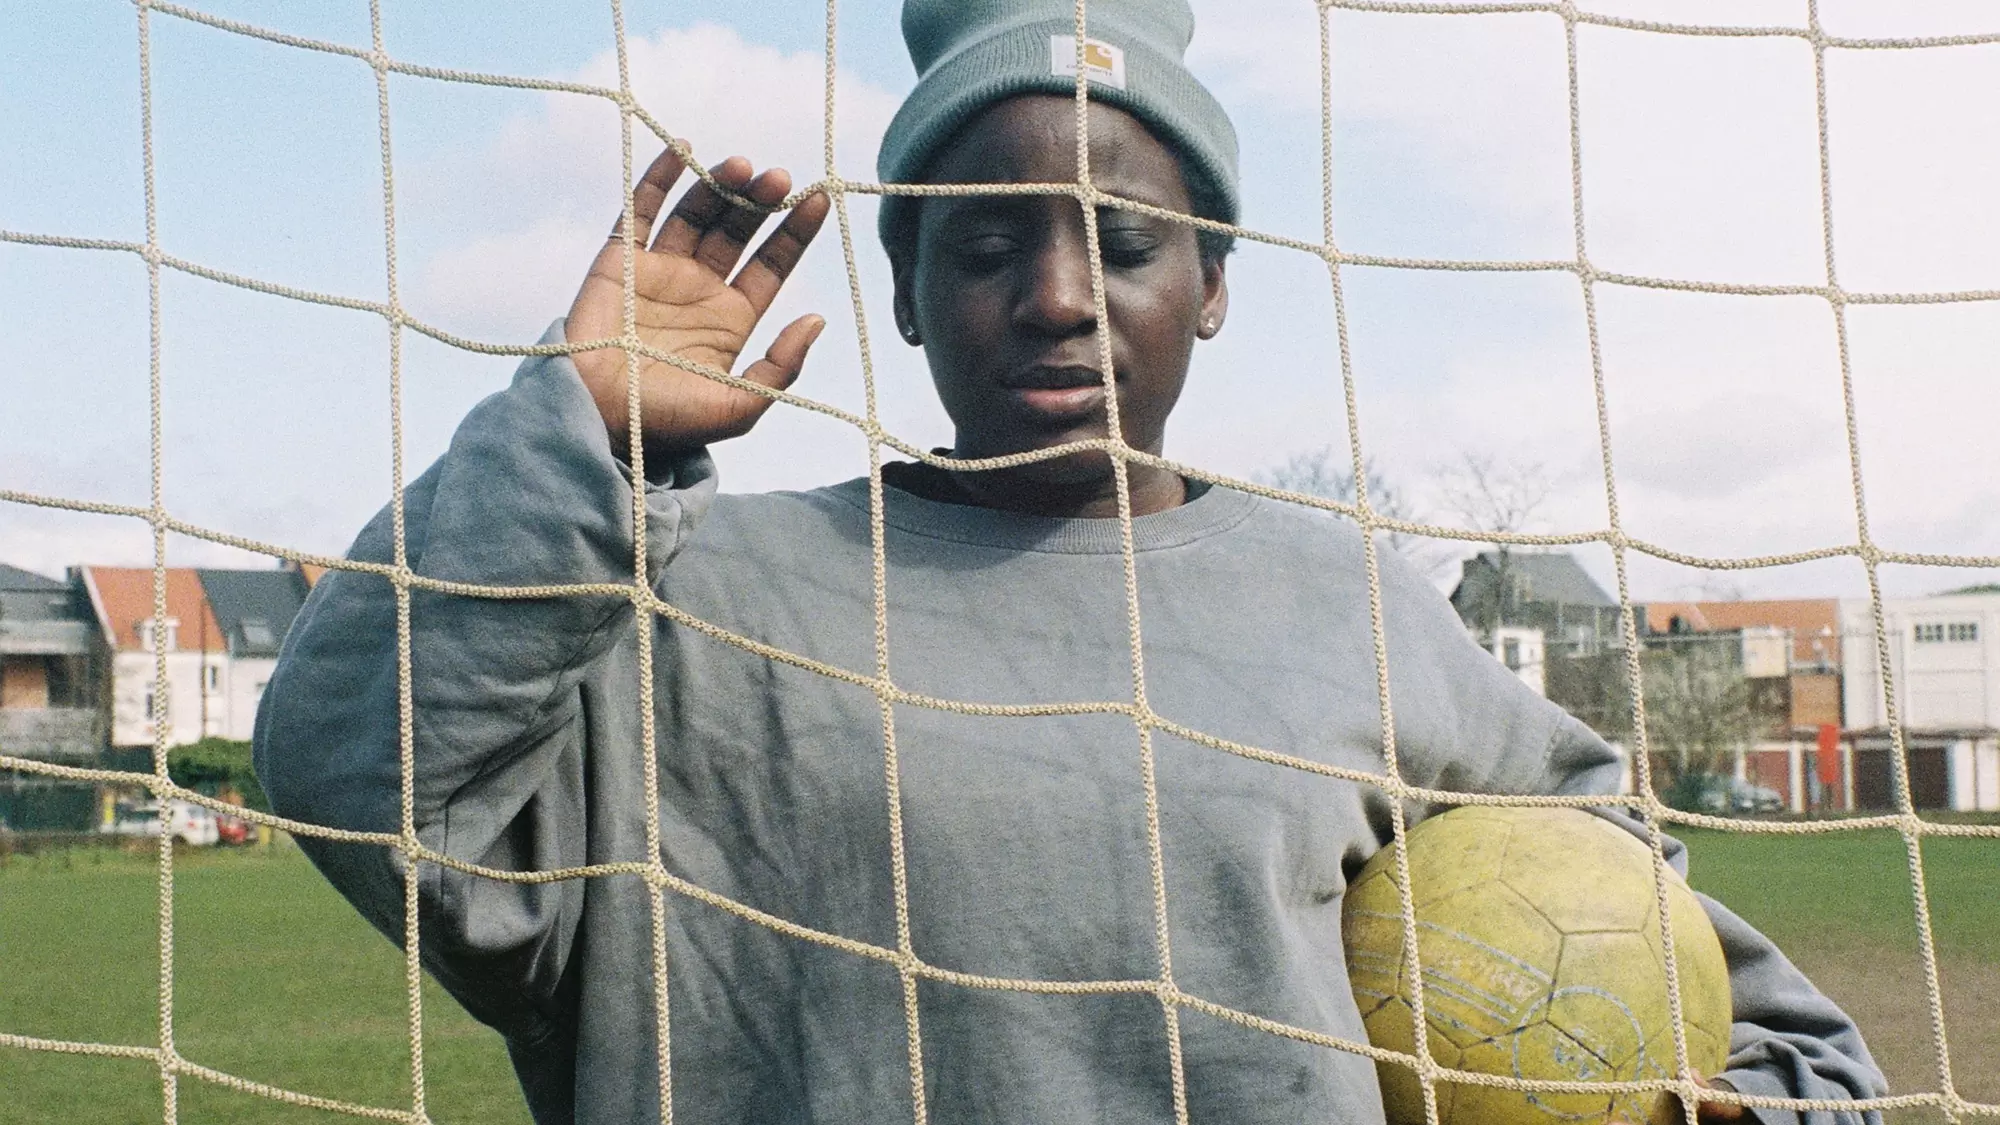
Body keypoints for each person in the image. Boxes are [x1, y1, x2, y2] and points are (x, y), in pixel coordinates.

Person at [254, 1, 1886, 1122]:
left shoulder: (1353, 610)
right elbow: (347, 769)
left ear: (1214, 284)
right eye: (986, 241)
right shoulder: (689, 595)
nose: (1056, 295)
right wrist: (581, 433)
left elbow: (1708, 988)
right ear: (906, 292)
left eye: (1124, 241)